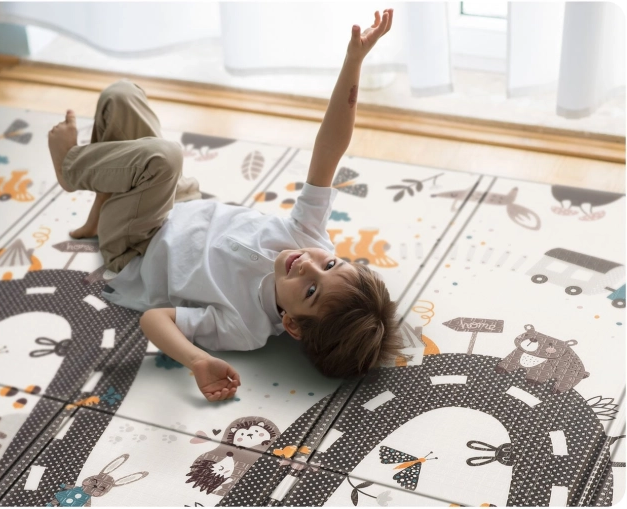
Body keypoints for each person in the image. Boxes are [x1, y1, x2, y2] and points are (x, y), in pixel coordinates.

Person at [47, 9, 402, 402]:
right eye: (331, 264)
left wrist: (197, 360)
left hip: (136, 242)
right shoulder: (307, 236)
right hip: (178, 199)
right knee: (121, 96)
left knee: (163, 157)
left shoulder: (244, 327)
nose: (308, 265)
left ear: (293, 325)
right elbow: (330, 149)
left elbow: (154, 319)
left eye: (311, 290)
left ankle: (70, 170)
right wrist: (354, 60)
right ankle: (102, 203)